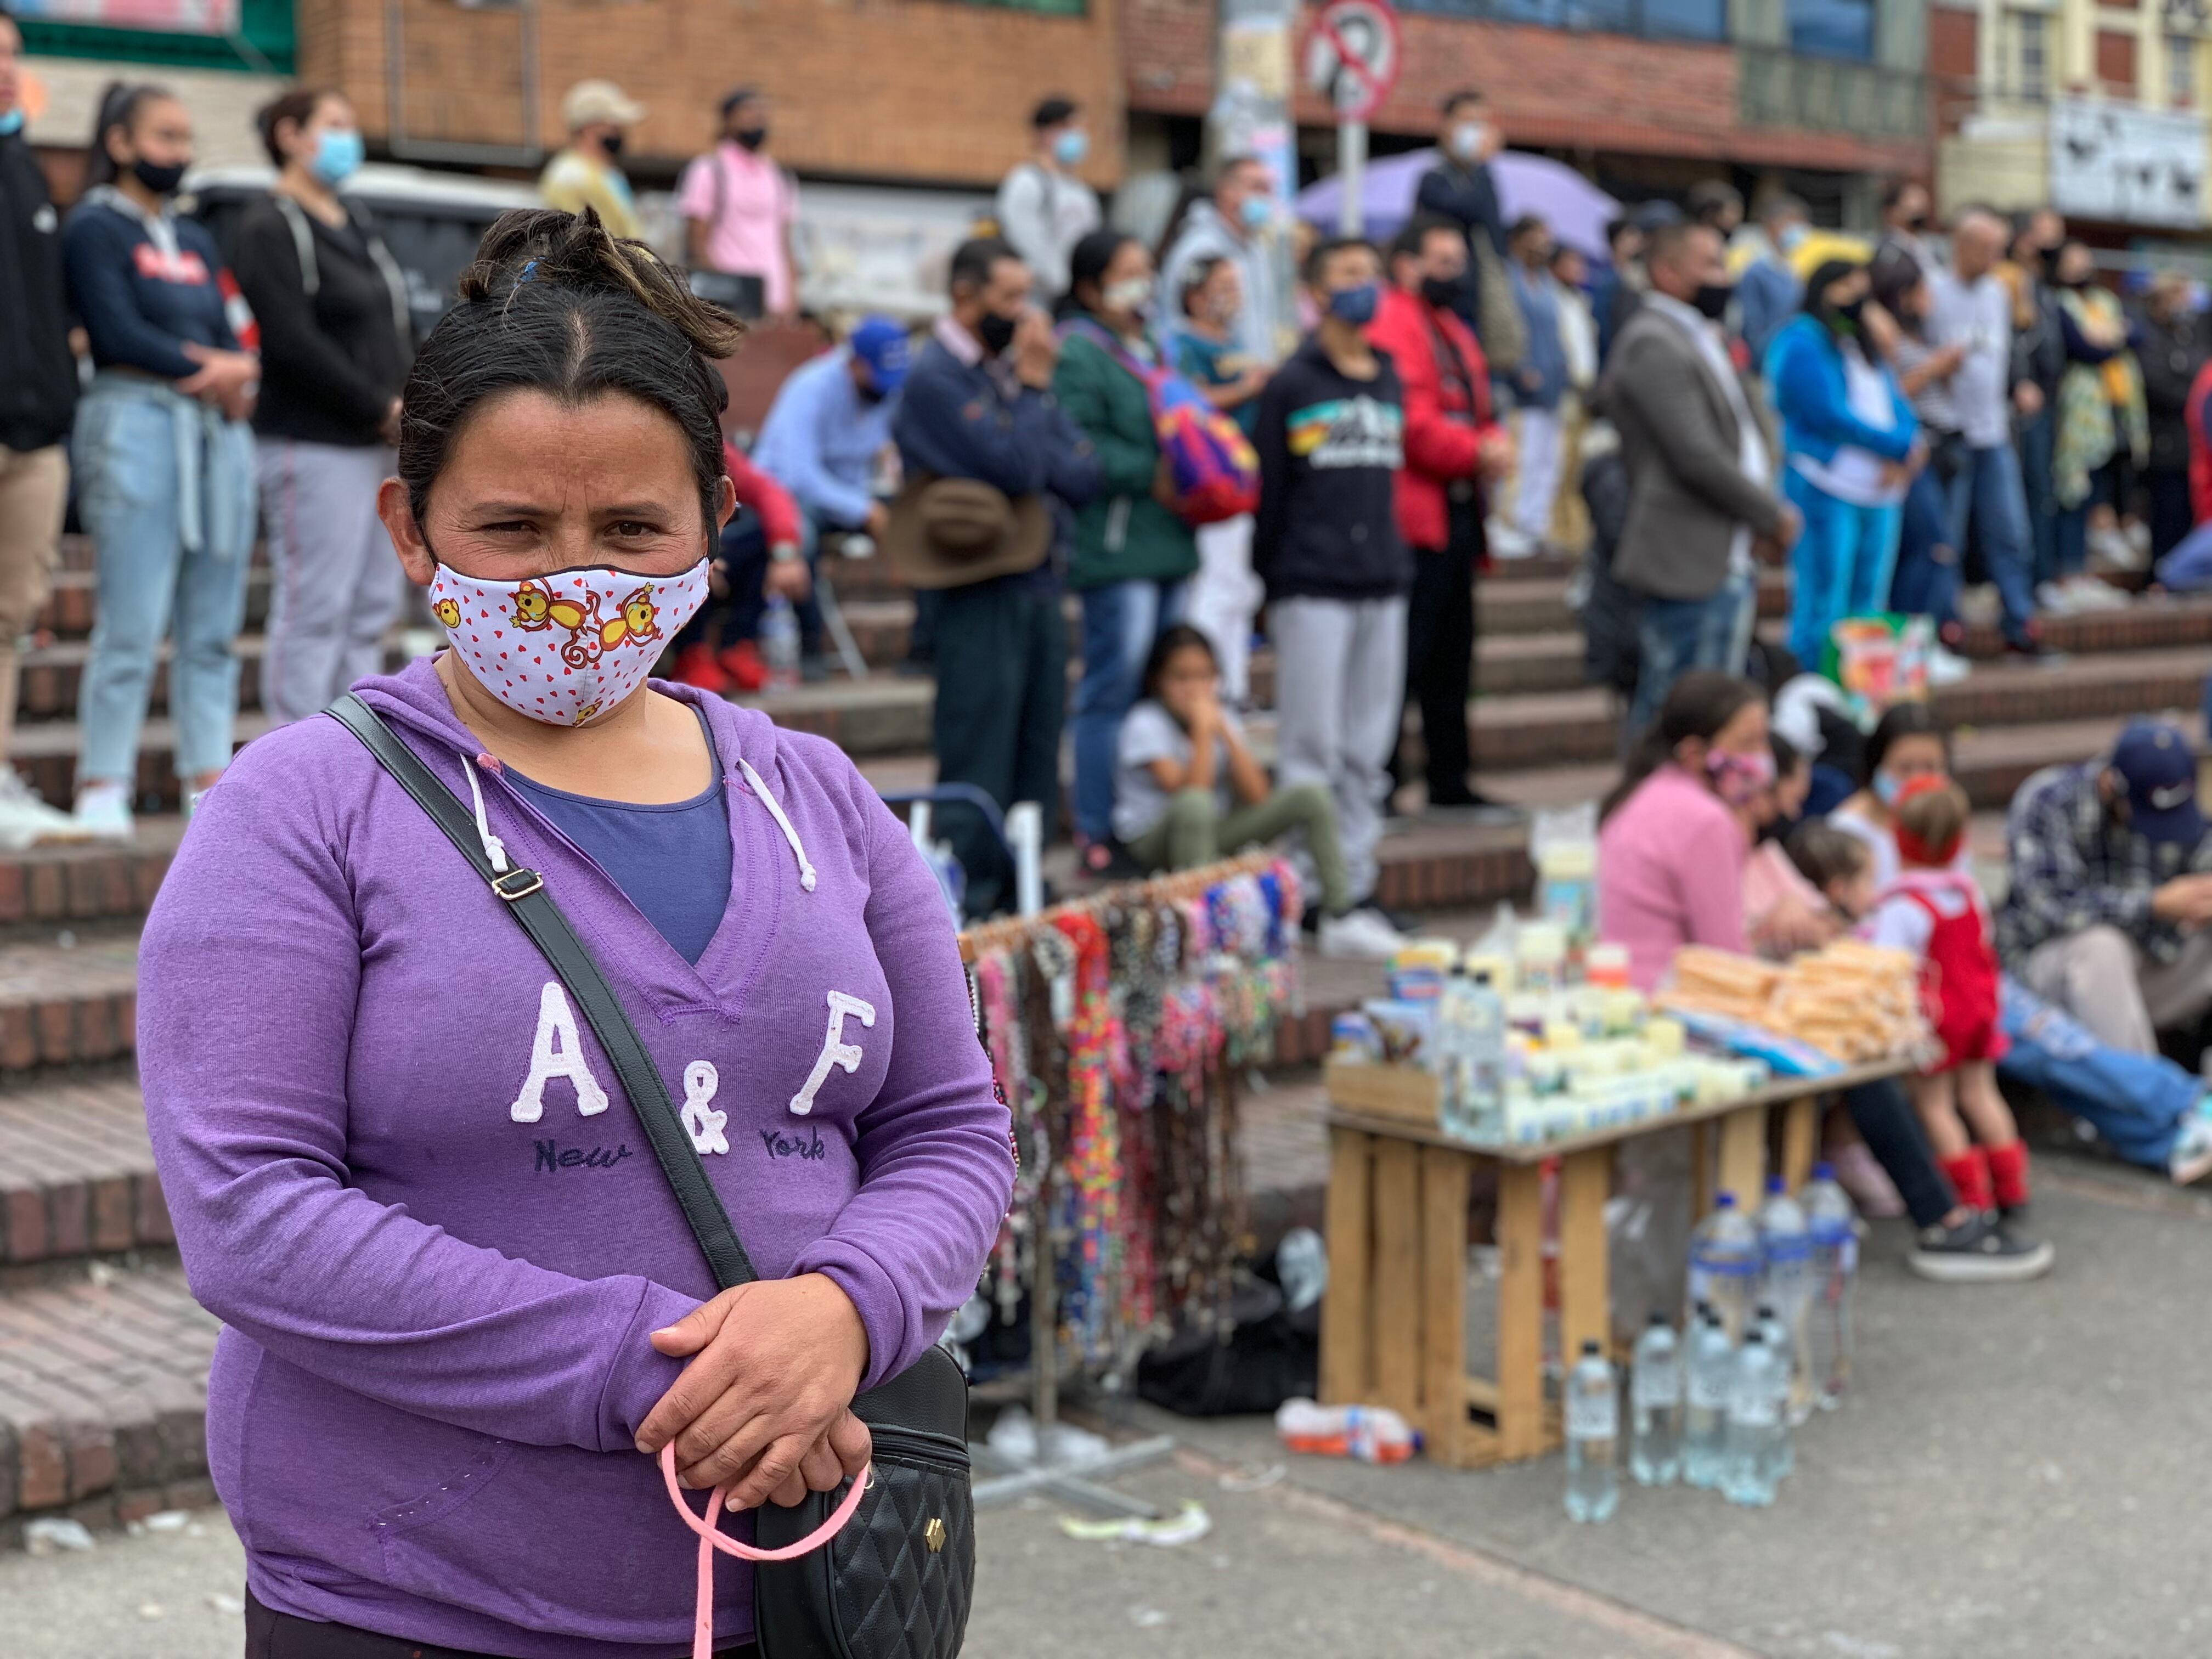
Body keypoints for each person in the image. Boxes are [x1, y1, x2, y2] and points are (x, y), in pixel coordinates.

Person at [138, 206, 1014, 1657]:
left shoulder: (820, 798)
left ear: (713, 526)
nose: (570, 581)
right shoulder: (300, 813)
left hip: (801, 1594)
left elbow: (949, 1128)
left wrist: (845, 1316)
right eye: (511, 528)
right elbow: (249, 1216)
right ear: (412, 527)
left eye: (629, 530)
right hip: (412, 1605)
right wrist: (664, 1375)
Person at [63, 81, 259, 840]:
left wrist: (235, 373)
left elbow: (240, 327)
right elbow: (113, 331)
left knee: (210, 627)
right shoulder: (93, 228)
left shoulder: (199, 239)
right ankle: (101, 782)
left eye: (185, 139)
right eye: (164, 138)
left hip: (214, 436)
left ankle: (207, 782)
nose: (178, 153)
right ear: (119, 142)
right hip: (134, 425)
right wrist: (215, 369)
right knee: (131, 622)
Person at [890, 236, 1098, 915]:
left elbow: (1079, 472)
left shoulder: (1006, 371)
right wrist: (1033, 397)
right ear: (964, 296)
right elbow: (1017, 469)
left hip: (1037, 580)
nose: (1023, 312)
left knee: (1038, 746)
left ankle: (1024, 885)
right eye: (1009, 298)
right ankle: (969, 900)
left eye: (1026, 296)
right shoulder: (935, 379)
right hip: (974, 588)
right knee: (979, 747)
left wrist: (1025, 416)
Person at [232, 87, 413, 730]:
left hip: (380, 445)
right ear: (290, 135)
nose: (347, 136)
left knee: (371, 604)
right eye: (333, 124)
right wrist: (375, 405)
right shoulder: (269, 225)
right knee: (316, 605)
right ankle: (296, 753)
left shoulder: (357, 221)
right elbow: (289, 339)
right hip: (313, 443)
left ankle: (359, 747)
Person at [1253, 236, 1410, 944]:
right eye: (1349, 274)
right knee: (1312, 746)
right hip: (1311, 583)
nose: (1365, 286)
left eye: (1371, 273)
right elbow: (1271, 495)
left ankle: (1357, 882)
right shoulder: (1293, 382)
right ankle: (1310, 892)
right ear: (1316, 293)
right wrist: (1272, 580)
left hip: (1383, 580)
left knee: (1367, 750)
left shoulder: (1388, 375)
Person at [1597, 220, 1796, 743]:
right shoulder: (1651, 340)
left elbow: (1744, 427)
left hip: (1726, 548)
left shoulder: (1700, 334)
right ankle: (1647, 819)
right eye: (1709, 264)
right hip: (1686, 554)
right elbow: (1695, 455)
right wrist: (1769, 513)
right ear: (1666, 271)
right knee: (1674, 711)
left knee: (1716, 715)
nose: (1723, 276)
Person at [1052, 230, 1199, 868]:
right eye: (1128, 273)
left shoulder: (1155, 345)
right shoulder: (1079, 353)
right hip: (1118, 549)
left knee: (1158, 683)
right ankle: (1096, 829)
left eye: (1147, 270)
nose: (1143, 284)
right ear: (1090, 288)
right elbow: (1078, 446)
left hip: (1169, 539)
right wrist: (1151, 469)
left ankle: (1152, 821)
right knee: (1110, 690)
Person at [1114, 624, 1386, 956]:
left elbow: (1258, 796)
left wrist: (1225, 734)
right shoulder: (1145, 723)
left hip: (1211, 834)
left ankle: (1340, 914)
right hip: (1156, 842)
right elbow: (1189, 791)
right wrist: (1203, 730)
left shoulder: (1221, 716)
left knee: (1310, 796)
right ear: (1157, 680)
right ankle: (1208, 929)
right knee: (1196, 804)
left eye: (1204, 677)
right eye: (1181, 678)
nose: (1194, 690)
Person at [1367, 213, 1512, 812]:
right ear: (1407, 266)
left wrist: (1493, 440)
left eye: (1460, 262)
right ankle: (1385, 780)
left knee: (1454, 656)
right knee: (1404, 659)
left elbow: (1479, 405)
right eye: (1444, 262)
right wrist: (1477, 450)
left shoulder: (1451, 326)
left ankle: (1451, 780)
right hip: (1414, 514)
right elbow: (1412, 422)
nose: (1456, 274)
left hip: (1456, 510)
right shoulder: (1393, 321)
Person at [1861, 778, 2044, 1243]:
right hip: (1980, 1010)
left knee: (1936, 1105)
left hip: (1937, 1019)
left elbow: (1886, 967)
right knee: (1982, 1096)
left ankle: (1969, 1198)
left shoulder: (1903, 907)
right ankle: (2011, 1187)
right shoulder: (1969, 894)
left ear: (1898, 838)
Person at [2001, 717, 2212, 1058]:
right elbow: (2052, 907)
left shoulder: (2176, 794)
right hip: (2047, 974)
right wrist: (2153, 904)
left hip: (2149, 964)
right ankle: (2143, 1103)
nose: (2160, 830)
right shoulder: (2048, 799)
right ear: (2109, 785)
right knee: (2101, 948)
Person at [0, 7, 84, 848]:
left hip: (34, 436)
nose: (5, 67)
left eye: (12, 54)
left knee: (11, 616)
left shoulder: (25, 170)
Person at [1764, 259, 1919, 667]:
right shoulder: (1801, 339)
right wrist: (1894, 447)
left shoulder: (1861, 342)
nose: (1857, 299)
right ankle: (1810, 687)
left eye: (1861, 289)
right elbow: (1825, 414)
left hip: (1880, 491)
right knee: (1823, 600)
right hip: (1825, 484)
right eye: (1847, 288)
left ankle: (1855, 699)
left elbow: (1896, 401)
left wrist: (1909, 442)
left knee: (1868, 600)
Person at [748, 314, 909, 678]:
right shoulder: (812, 386)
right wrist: (865, 510)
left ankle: (922, 648)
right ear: (853, 362)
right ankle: (810, 647)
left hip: (851, 496)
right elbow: (798, 475)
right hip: (788, 494)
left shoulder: (890, 391)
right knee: (799, 534)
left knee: (920, 525)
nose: (887, 389)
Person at [1928, 208, 2045, 655]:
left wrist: (2020, 383)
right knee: (1947, 539)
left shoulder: (1998, 291)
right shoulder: (1934, 291)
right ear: (1962, 245)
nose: (1998, 257)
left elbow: (2006, 349)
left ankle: (2019, 625)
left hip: (1992, 432)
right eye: (1990, 248)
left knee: (2012, 533)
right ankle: (1946, 630)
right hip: (1949, 433)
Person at [1170, 255, 1268, 707]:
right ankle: (1207, 685)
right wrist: (1245, 389)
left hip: (1244, 479)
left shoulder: (1235, 339)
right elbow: (1185, 400)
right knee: (1215, 584)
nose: (1234, 294)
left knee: (1240, 589)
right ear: (1195, 295)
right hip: (1210, 479)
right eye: (1223, 284)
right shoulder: (1181, 342)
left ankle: (1234, 683)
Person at [2044, 239, 2141, 614]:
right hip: (2079, 418)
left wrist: (2110, 338)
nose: (2084, 267)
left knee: (2104, 486)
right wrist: (2110, 338)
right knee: (2074, 492)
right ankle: (2068, 574)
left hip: (2113, 411)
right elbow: (2085, 349)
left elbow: (2137, 334)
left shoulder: (2104, 301)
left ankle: (2086, 568)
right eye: (2075, 261)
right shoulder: (2060, 304)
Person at [667, 440, 805, 695]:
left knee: (763, 538)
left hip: (715, 543)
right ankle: (692, 655)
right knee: (686, 551)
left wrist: (784, 552)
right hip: (670, 546)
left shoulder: (709, 442)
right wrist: (703, 553)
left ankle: (738, 648)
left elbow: (767, 491)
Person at [678, 87, 800, 321]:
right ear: (727, 120)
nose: (757, 119)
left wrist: (791, 300)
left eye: (762, 113)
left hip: (774, 307)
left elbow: (785, 243)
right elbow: (697, 242)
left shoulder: (780, 177)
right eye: (748, 111)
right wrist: (718, 298)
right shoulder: (710, 171)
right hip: (730, 305)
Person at [1160, 154, 1285, 369]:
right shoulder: (1200, 248)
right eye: (1257, 187)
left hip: (1254, 376)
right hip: (1216, 377)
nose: (1266, 197)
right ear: (1225, 191)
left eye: (1268, 189)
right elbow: (1180, 319)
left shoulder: (1256, 247)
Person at [1413, 87, 1511, 351]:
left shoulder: (1482, 178)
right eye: (1468, 122)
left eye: (1481, 124)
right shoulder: (1434, 179)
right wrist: (1482, 165)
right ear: (1446, 125)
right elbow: (1467, 210)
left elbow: (1493, 229)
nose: (1476, 132)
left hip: (1482, 301)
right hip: (1449, 301)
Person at [1500, 215, 1568, 558]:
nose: (1544, 244)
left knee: (1547, 461)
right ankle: (1513, 527)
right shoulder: (1506, 277)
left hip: (1552, 385)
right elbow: (1504, 327)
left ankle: (1536, 526)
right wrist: (1520, 368)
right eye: (1538, 236)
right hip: (1520, 388)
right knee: (1522, 459)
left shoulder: (1544, 280)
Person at [994, 94, 1100, 305]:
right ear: (1043, 133)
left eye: (1079, 128)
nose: (1077, 135)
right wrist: (1062, 286)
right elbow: (1025, 243)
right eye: (1068, 127)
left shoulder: (1082, 192)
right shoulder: (1027, 183)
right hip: (1042, 300)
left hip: (1076, 299)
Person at [2138, 270, 2205, 561]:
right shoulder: (2149, 336)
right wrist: (2199, 399)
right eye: (2180, 295)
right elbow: (2159, 386)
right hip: (2167, 446)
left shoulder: (2190, 335)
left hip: (2194, 447)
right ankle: (2162, 583)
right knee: (2168, 519)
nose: (2186, 302)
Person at [539, 80, 646, 241]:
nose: (619, 134)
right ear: (589, 128)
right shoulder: (570, 176)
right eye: (613, 127)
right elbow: (577, 244)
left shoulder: (608, 173)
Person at [1735, 194, 1808, 371]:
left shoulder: (1792, 269)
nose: (1795, 231)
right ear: (1770, 227)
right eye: (1788, 224)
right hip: (1768, 364)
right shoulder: (1756, 272)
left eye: (1798, 225)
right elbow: (1752, 327)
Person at [1590, 216, 1640, 366]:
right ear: (1617, 241)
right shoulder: (1605, 279)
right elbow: (1602, 324)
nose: (1636, 240)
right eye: (1630, 235)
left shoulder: (1636, 275)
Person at [1875, 179, 1939, 273]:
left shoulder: (1933, 245)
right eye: (1913, 200)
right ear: (1892, 211)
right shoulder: (1887, 252)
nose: (1921, 207)